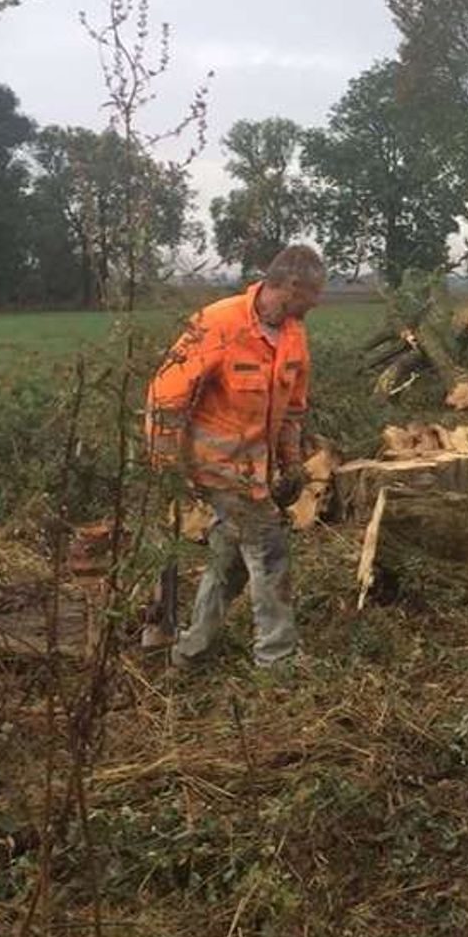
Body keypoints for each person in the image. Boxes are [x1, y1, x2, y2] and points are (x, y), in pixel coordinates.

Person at [146, 244, 326, 668]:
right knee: (269, 551)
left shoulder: (294, 333)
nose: (317, 303)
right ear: (290, 286)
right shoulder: (219, 322)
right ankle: (277, 659)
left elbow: (292, 409)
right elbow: (166, 396)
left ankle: (193, 649)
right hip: (217, 467)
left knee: (230, 560)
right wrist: (165, 466)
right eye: (312, 294)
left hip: (255, 469)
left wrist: (291, 462)